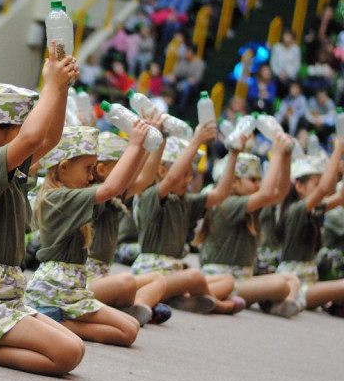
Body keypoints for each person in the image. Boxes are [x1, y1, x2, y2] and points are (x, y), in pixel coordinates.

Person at [0, 72, 87, 375]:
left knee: (76, 346)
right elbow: (34, 137)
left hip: (4, 294)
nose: (26, 135)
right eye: (19, 129)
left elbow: (50, 138)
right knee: (67, 354)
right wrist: (49, 84)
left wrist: (60, 89)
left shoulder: (2, 165)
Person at [26, 124, 147, 346]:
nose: (91, 177)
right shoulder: (58, 198)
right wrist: (135, 145)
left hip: (72, 290)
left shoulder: (72, 195)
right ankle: (52, 319)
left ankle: (53, 320)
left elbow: (126, 185)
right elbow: (112, 188)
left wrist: (144, 146)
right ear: (63, 168)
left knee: (131, 328)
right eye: (87, 168)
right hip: (55, 290)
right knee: (126, 333)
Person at [131, 127, 245, 314]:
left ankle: (184, 299)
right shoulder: (150, 196)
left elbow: (221, 194)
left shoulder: (185, 201)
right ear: (161, 170)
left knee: (227, 280)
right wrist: (196, 141)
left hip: (174, 275)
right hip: (151, 275)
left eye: (191, 174)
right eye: (185, 173)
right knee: (194, 276)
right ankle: (214, 304)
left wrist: (233, 155)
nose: (188, 181)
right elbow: (172, 178)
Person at [195, 141, 303, 317]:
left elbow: (280, 193)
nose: (258, 185)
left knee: (292, 279)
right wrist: (276, 154)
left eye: (260, 180)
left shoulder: (249, 204)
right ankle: (273, 301)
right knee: (281, 285)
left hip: (243, 278)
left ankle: (281, 304)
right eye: (253, 180)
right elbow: (267, 193)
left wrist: (286, 157)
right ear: (234, 182)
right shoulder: (226, 204)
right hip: (223, 277)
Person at [84, 131, 172, 326]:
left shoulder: (113, 197)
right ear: (101, 169)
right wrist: (140, 146)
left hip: (102, 278)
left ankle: (134, 308)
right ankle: (123, 307)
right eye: (124, 166)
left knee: (158, 279)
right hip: (82, 282)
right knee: (126, 282)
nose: (130, 172)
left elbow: (146, 177)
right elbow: (135, 178)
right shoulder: (90, 196)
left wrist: (156, 139)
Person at [275, 145, 344, 313]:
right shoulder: (296, 210)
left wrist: (338, 172)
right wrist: (338, 149)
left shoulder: (314, 210)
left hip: (310, 282)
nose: (320, 188)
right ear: (299, 186)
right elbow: (324, 189)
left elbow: (340, 196)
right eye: (316, 183)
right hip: (296, 284)